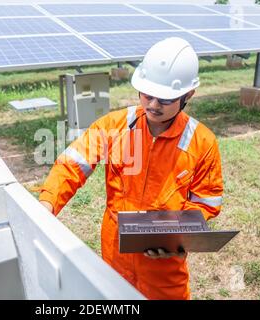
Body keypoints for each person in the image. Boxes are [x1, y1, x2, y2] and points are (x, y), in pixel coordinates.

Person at [38, 37, 223, 300]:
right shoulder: (115, 126)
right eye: (148, 95)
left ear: (187, 95)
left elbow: (206, 202)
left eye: (165, 99)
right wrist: (48, 202)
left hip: (164, 270)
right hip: (115, 254)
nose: (153, 105)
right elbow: (73, 164)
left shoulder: (202, 142)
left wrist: (177, 239)